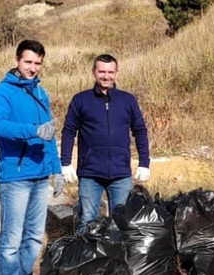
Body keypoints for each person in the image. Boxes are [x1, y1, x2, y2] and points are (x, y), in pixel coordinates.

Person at [0, 39, 64, 275]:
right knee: (11, 239)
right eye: (28, 62)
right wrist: (33, 130)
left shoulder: (41, 94)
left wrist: (56, 169)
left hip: (40, 174)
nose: (32, 68)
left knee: (33, 238)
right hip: (16, 177)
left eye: (37, 63)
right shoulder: (1, 93)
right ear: (17, 60)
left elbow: (50, 134)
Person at [60, 54, 150, 232]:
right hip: (90, 173)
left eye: (110, 72)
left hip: (120, 173)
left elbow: (140, 131)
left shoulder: (128, 100)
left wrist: (144, 163)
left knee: (121, 223)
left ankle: (116, 259)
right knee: (87, 221)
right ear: (94, 72)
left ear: (116, 73)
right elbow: (69, 131)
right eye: (101, 71)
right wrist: (65, 162)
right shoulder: (80, 100)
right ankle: (85, 259)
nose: (106, 76)